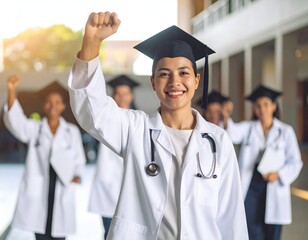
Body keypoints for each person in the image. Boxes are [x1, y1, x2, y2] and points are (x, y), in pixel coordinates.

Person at [68, 11, 248, 240]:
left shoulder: (218, 140)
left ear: (196, 80)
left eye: (184, 73)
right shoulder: (135, 129)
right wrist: (91, 42)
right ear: (153, 82)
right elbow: (91, 110)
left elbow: (231, 216)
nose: (175, 82)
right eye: (164, 74)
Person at [3, 75, 86, 240]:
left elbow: (79, 159)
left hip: (62, 183)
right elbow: (16, 121)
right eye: (49, 102)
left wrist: (77, 175)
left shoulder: (71, 131)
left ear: (63, 106)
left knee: (59, 232)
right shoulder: (35, 129)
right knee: (41, 231)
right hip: (40, 187)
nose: (52, 106)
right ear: (44, 105)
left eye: (57, 102)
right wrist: (12, 91)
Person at [223, 84, 303, 240]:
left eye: (266, 104)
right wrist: (226, 115)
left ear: (273, 106)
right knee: (251, 228)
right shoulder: (248, 128)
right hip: (252, 185)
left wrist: (279, 174)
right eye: (257, 105)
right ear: (254, 109)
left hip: (274, 182)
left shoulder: (285, 131)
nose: (262, 109)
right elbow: (231, 133)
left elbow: (295, 162)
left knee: (273, 232)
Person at [88, 74, 139, 239]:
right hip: (107, 188)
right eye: (119, 93)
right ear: (113, 97)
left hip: (131, 188)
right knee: (109, 233)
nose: (123, 97)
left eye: (126, 93)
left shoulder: (140, 121)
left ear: (131, 95)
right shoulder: (104, 120)